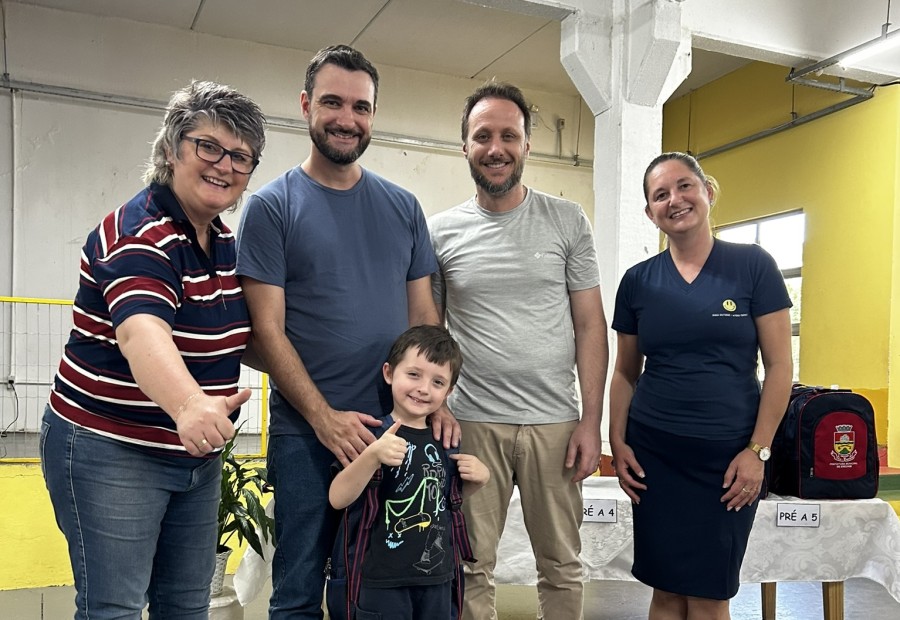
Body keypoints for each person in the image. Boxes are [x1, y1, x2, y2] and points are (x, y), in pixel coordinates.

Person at [235, 45, 452, 619]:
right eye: (332, 102)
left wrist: (438, 403)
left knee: (383, 584)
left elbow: (423, 320)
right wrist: (323, 417)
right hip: (307, 435)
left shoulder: (403, 207)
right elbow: (266, 331)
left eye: (361, 107)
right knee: (300, 588)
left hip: (395, 428)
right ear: (306, 105)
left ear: (373, 115)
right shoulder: (272, 207)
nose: (346, 118)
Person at [41, 80, 267, 619]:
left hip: (194, 456)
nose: (224, 166)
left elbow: (236, 336)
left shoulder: (221, 239)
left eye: (240, 157)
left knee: (186, 606)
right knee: (114, 608)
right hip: (110, 448)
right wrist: (189, 405)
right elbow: (142, 332)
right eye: (208, 146)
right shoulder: (139, 232)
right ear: (171, 149)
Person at [428, 81, 609, 620]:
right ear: (465, 145)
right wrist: (438, 405)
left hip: (555, 423)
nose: (496, 147)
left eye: (509, 135)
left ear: (528, 144)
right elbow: (429, 332)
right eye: (483, 136)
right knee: (469, 565)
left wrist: (591, 421)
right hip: (471, 423)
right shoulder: (440, 233)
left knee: (561, 565)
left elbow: (590, 325)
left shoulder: (568, 220)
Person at [609, 152, 793, 619]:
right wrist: (617, 441)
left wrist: (758, 452)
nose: (674, 199)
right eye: (660, 195)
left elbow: (779, 368)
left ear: (707, 191)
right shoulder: (637, 282)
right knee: (666, 592)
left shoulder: (753, 265)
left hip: (728, 461)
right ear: (650, 212)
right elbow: (625, 372)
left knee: (710, 597)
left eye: (684, 186)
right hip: (655, 456)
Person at [329, 325, 489, 619]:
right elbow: (338, 498)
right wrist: (372, 456)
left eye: (438, 382)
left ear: (449, 391)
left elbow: (443, 501)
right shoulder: (370, 435)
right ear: (389, 373)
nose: (423, 388)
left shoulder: (445, 441)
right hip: (378, 582)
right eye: (413, 374)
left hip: (437, 580)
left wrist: (479, 480)